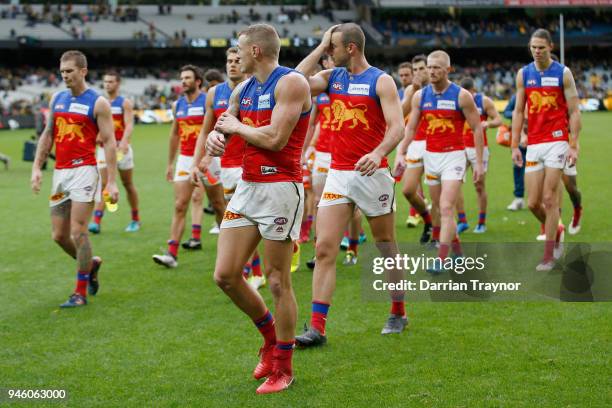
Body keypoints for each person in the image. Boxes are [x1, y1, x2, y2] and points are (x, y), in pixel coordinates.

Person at [206, 23, 311, 394]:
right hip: (248, 188)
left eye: (239, 48)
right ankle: (269, 339)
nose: (234, 55)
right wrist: (217, 139)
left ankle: (284, 366)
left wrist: (235, 125)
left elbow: (276, 139)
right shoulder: (242, 89)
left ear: (255, 52)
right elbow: (222, 127)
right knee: (225, 275)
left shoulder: (292, 83)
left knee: (279, 280)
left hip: (281, 189)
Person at [294, 23, 406, 346]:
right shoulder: (332, 79)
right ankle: (317, 328)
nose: (330, 54)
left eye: (334, 48)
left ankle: (398, 311)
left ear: (351, 48)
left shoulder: (381, 80)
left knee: (386, 245)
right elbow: (296, 81)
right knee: (325, 247)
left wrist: (379, 152)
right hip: (339, 174)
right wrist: (319, 46)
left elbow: (397, 127)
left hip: (374, 174)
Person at [30, 50, 119, 307]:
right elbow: (47, 136)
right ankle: (91, 265)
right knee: (59, 236)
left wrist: (111, 181)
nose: (65, 76)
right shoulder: (57, 99)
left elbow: (110, 142)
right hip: (61, 172)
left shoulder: (98, 102)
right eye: (62, 72)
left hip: (85, 172)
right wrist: (37, 167)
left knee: (78, 232)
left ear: (83, 71)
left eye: (69, 71)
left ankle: (79, 292)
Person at [191, 47, 266, 290]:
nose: (232, 65)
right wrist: (201, 159)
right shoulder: (214, 93)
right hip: (225, 165)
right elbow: (206, 130)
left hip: (249, 163)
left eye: (236, 60)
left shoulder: (257, 88)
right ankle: (250, 270)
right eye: (229, 61)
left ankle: (254, 271)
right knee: (233, 216)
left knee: (245, 219)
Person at [403, 50, 484, 273]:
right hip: (431, 156)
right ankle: (458, 253)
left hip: (454, 157)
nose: (432, 71)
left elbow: (477, 127)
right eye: (429, 66)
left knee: (447, 207)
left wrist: (477, 162)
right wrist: (401, 152)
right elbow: (410, 127)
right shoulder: (421, 96)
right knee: (439, 207)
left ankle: (441, 258)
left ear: (448, 70)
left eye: (437, 67)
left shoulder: (461, 96)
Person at [510, 28, 581, 271]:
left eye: (541, 47)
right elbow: (519, 111)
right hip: (534, 143)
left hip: (557, 141)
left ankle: (549, 255)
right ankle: (558, 228)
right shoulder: (524, 74)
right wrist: (515, 144)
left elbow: (574, 111)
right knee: (532, 203)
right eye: (533, 47)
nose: (537, 51)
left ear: (551, 47)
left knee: (549, 198)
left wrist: (573, 144)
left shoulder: (563, 73)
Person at [152, 65, 216, 267]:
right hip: (185, 158)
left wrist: (211, 155)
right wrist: (170, 163)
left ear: (198, 81)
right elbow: (174, 134)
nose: (183, 81)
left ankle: (235, 255)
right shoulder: (177, 105)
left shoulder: (207, 100)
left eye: (187, 78)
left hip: (209, 157)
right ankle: (171, 254)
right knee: (180, 204)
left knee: (220, 206)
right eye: (181, 78)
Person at [88, 71, 140, 233]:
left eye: (110, 81)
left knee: (127, 184)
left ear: (118, 83)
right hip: (104, 149)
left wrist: (124, 142)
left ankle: (135, 219)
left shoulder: (124, 103)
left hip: (121, 149)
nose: (107, 84)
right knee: (104, 184)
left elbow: (129, 124)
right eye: (105, 82)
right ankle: (96, 221)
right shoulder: (99, 103)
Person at [394, 54, 434, 241]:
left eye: (422, 69)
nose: (418, 73)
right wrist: (413, 92)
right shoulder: (412, 90)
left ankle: (439, 236)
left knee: (439, 195)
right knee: (408, 190)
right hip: (416, 143)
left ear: (430, 68)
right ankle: (428, 220)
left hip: (437, 144)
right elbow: (400, 114)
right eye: (415, 69)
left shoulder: (440, 87)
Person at [455, 77, 502, 234]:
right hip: (460, 147)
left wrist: (488, 123)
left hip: (479, 149)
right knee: (453, 185)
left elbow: (498, 119)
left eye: (469, 93)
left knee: (479, 185)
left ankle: (481, 222)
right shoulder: (458, 99)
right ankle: (462, 220)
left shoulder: (484, 101)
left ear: (474, 91)